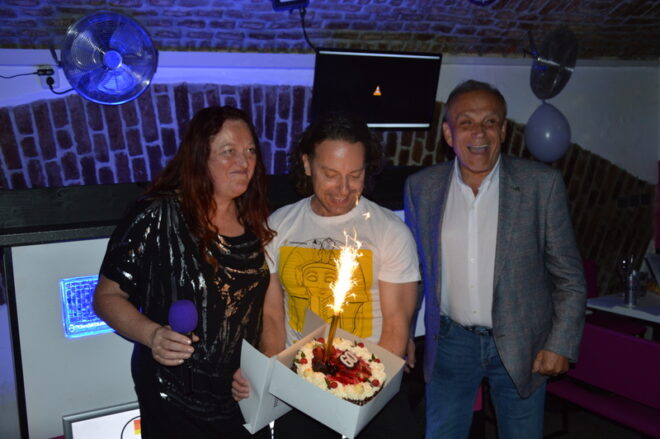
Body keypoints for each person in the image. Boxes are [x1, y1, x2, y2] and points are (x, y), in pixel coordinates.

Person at [404, 80, 586, 439]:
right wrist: (406, 333)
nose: (479, 132)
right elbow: (417, 273)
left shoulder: (541, 185)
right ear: (448, 133)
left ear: (503, 131)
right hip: (450, 343)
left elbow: (569, 277)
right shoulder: (421, 187)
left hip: (522, 342)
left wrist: (560, 343)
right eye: (466, 122)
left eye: (490, 122)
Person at [235, 112, 422, 438]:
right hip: (301, 392)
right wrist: (261, 375)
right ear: (307, 164)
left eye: (355, 175)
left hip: (371, 390)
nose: (344, 189)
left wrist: (357, 394)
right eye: (331, 174)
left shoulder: (390, 231)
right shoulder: (277, 226)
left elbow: (395, 330)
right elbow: (273, 319)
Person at [93, 106, 273, 439]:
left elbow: (265, 310)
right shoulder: (158, 213)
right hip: (173, 392)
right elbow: (106, 296)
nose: (244, 162)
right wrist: (152, 335)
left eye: (250, 151)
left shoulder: (255, 220)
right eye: (229, 151)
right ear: (199, 157)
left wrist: (261, 367)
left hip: (238, 393)